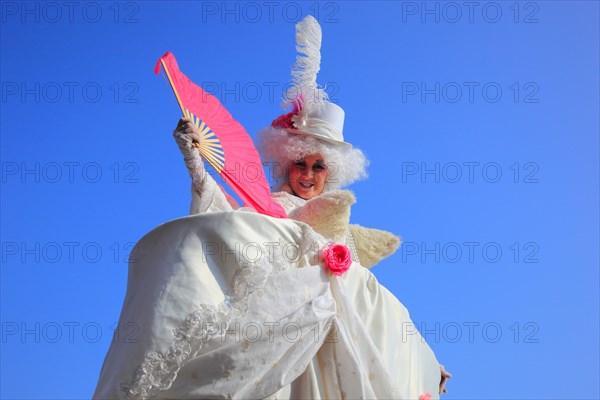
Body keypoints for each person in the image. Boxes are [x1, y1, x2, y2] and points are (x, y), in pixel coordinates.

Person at [170, 15, 452, 398]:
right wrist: (195, 164)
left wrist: (424, 364)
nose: (307, 174)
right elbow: (225, 222)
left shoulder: (341, 230)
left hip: (340, 336)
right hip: (282, 321)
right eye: (299, 164)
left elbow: (379, 317)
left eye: (318, 167)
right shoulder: (269, 207)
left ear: (331, 173)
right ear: (285, 162)